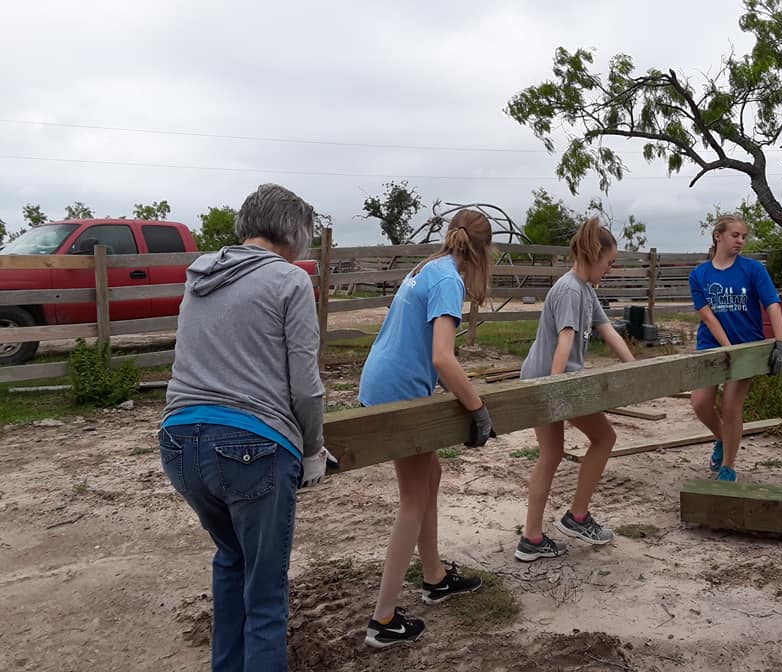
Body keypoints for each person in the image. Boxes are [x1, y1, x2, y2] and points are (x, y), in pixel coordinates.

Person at [160, 183, 328, 671]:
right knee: (267, 593)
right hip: (250, 446)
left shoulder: (201, 276)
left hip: (179, 442)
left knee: (232, 559)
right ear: (293, 231)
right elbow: (305, 387)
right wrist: (314, 451)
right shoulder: (289, 280)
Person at [358, 209, 496, 649]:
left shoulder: (427, 267)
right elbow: (442, 356)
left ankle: (434, 577)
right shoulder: (449, 280)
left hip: (383, 381)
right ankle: (383, 619)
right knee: (413, 500)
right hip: (399, 392)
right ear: (483, 252)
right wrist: (477, 408)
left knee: (430, 475)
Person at [514, 218, 635, 563]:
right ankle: (577, 517)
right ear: (594, 254)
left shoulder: (585, 289)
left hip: (550, 379)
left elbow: (607, 330)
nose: (610, 270)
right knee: (604, 438)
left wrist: (636, 366)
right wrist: (555, 387)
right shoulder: (569, 289)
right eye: (610, 262)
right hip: (552, 381)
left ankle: (531, 538)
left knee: (551, 456)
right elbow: (566, 338)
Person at [688, 213, 782, 483]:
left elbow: (773, 304)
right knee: (700, 403)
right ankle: (722, 438)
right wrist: (727, 347)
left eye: (744, 236)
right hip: (711, 345)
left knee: (731, 405)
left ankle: (728, 466)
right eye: (735, 235)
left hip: (747, 345)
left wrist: (780, 342)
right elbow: (707, 315)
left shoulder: (753, 270)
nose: (740, 241)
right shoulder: (699, 274)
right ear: (718, 236)